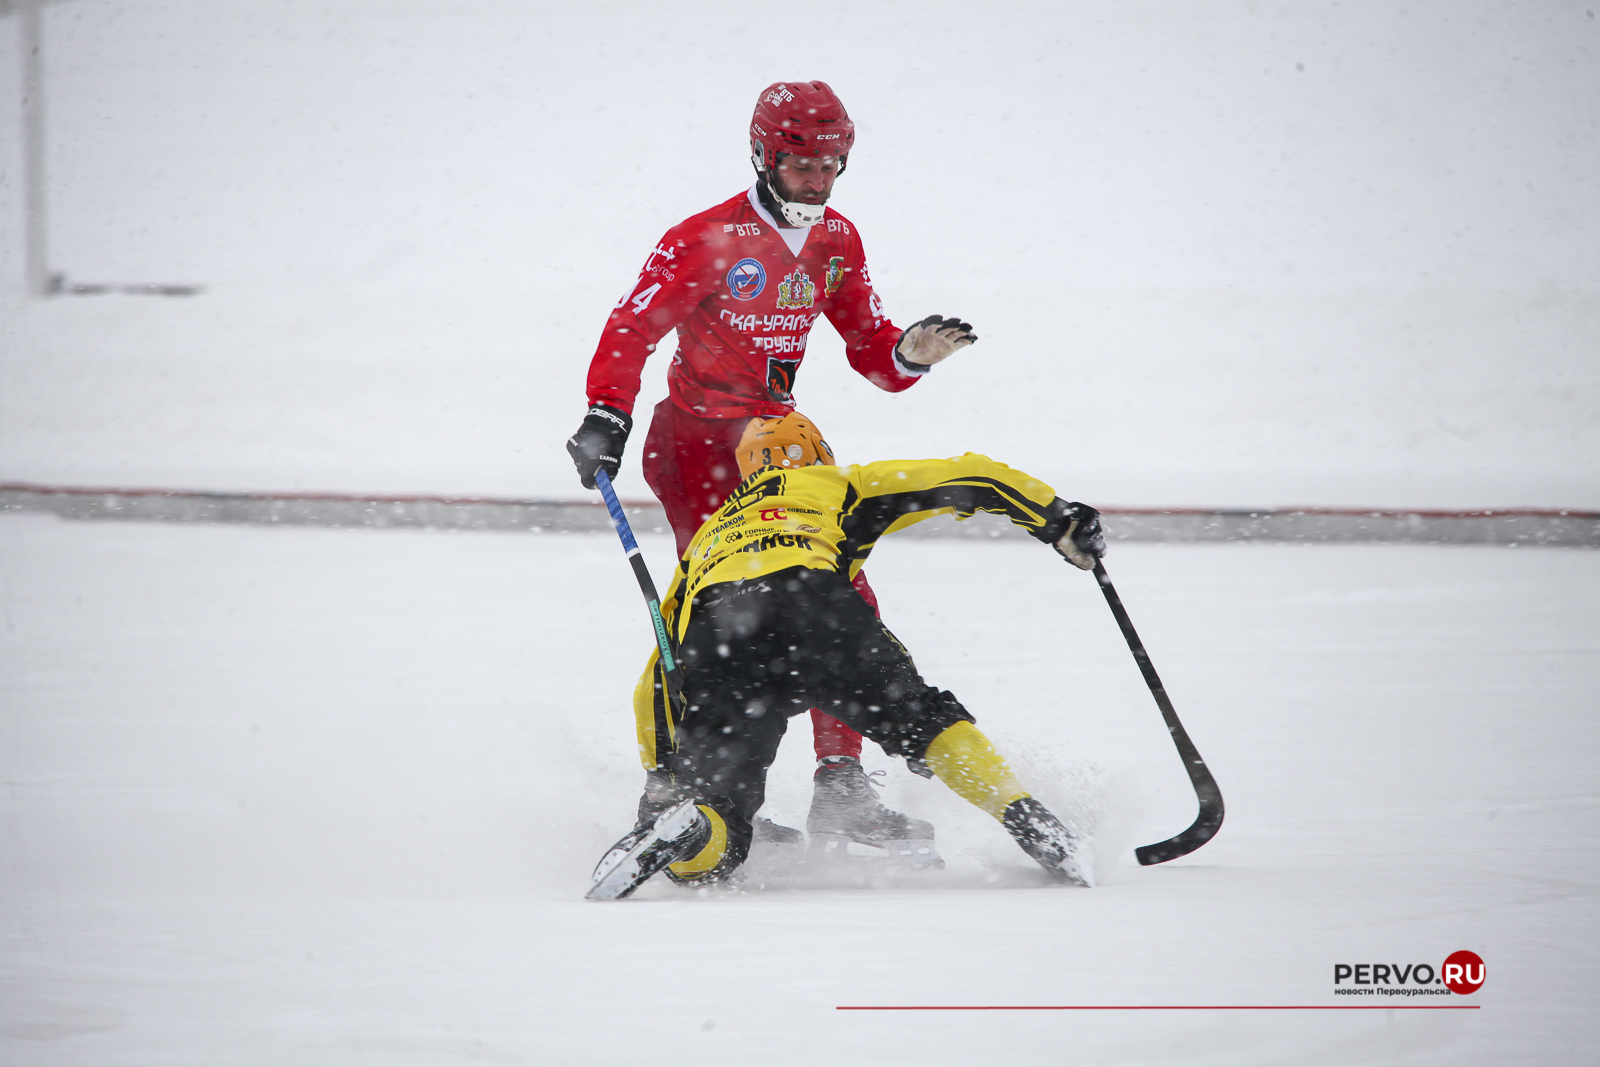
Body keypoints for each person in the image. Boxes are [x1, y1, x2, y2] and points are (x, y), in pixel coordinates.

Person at [567, 80, 977, 856]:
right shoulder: (705, 237)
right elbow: (632, 325)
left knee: (842, 597)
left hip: (781, 451)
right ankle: (676, 787)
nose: (817, 183)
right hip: (695, 447)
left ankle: (842, 785)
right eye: (801, 166)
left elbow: (871, 352)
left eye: (831, 166)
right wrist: (606, 413)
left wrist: (908, 353)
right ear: (762, 155)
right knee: (720, 616)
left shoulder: (837, 241)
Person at [585, 413, 1107, 900]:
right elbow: (973, 474)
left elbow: (659, 675)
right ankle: (1027, 818)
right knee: (921, 719)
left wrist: (661, 777)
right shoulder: (836, 483)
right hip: (811, 607)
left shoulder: (710, 535)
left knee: (716, 820)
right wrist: (1058, 519)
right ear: (816, 451)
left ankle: (695, 832)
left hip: (719, 633)